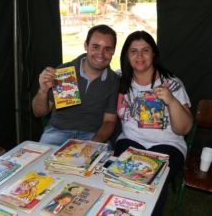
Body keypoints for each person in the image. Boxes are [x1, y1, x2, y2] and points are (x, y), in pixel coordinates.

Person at [114, 30, 193, 215]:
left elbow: (184, 128)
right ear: (126, 55)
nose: (139, 56)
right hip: (130, 141)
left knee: (152, 181)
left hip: (168, 144)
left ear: (154, 54)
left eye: (145, 50)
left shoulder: (171, 83)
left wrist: (171, 100)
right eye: (133, 51)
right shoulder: (118, 79)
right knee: (121, 177)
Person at [32, 24, 119, 146]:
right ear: (86, 46)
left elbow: (109, 122)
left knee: (99, 164)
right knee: (43, 164)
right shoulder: (65, 71)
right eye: (95, 47)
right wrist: (42, 91)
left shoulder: (113, 80)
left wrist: (93, 144)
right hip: (57, 132)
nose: (101, 54)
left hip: (92, 136)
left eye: (107, 49)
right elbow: (39, 113)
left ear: (113, 51)